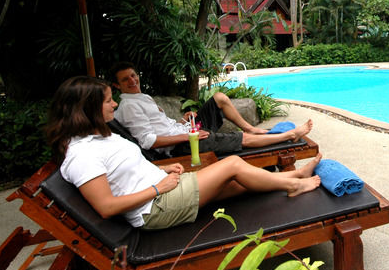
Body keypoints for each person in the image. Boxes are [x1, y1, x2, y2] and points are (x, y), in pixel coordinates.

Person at [45, 76, 321, 230]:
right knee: (232, 165)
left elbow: (122, 172)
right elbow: (106, 207)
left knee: (238, 183)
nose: (114, 105)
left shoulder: (98, 137)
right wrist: (157, 187)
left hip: (165, 190)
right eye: (108, 101)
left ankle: (294, 175)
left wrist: (163, 170)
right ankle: (294, 183)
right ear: (86, 108)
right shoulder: (81, 156)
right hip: (155, 208)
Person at [108, 61, 312, 157]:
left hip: (185, 132)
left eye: (133, 75)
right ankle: (289, 135)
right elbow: (148, 141)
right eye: (125, 79)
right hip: (184, 146)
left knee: (219, 98)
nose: (132, 80)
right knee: (238, 138)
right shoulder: (128, 106)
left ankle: (251, 128)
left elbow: (160, 126)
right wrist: (188, 137)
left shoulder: (141, 98)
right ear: (117, 86)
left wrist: (182, 122)